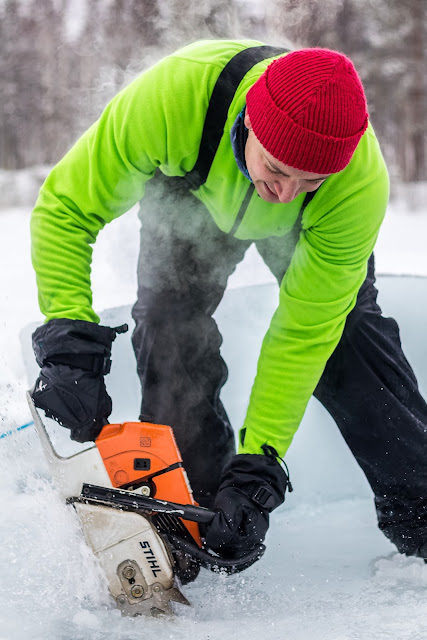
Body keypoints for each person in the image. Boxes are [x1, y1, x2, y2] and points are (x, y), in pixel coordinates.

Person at [30, 39, 427, 562]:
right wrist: (68, 339)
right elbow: (66, 209)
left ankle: (420, 516)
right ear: (249, 123)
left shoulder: (355, 186)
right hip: (191, 194)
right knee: (169, 327)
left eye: (311, 180)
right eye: (280, 169)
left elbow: (303, 333)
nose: (286, 192)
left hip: (305, 235)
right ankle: (193, 517)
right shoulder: (174, 98)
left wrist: (259, 467)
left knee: (350, 337)